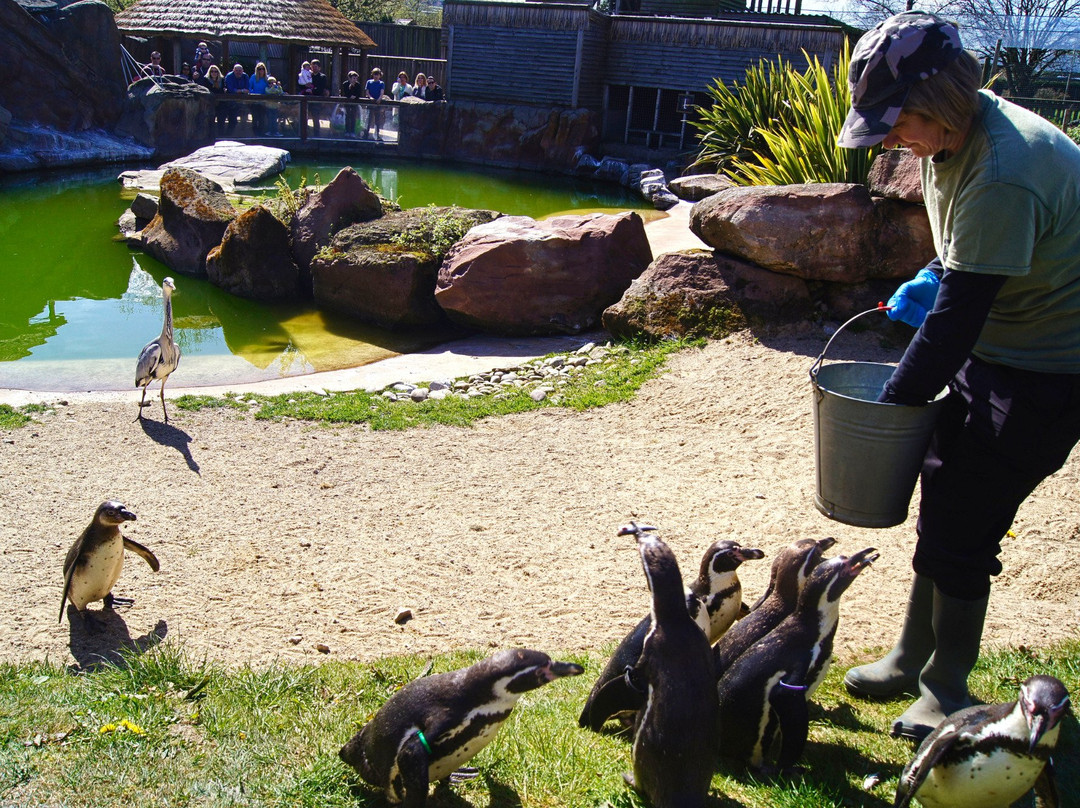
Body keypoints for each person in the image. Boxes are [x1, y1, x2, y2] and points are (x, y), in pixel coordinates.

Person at [837, 12, 1080, 744]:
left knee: (965, 519)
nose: (888, 138)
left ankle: (947, 686)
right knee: (943, 492)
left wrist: (892, 404)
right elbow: (966, 265)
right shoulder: (953, 142)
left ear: (942, 100)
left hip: (1051, 369)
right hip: (1003, 343)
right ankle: (913, 656)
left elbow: (956, 323)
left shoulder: (1007, 169)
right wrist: (930, 275)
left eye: (897, 119)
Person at [223, 63, 249, 134]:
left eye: (240, 70)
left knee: (244, 117)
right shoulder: (229, 76)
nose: (238, 72)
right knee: (232, 120)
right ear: (233, 70)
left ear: (242, 70)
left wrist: (239, 91)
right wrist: (242, 90)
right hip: (230, 101)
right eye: (236, 70)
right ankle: (227, 135)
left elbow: (247, 89)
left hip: (242, 101)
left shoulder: (245, 76)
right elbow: (231, 90)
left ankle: (243, 135)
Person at [309, 59, 330, 136]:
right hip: (307, 99)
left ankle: (316, 135)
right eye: (312, 67)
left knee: (315, 118)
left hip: (317, 100)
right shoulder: (308, 76)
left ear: (319, 68)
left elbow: (321, 89)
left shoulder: (322, 77)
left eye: (315, 67)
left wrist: (312, 91)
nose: (314, 68)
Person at [248, 61, 270, 135]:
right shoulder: (253, 77)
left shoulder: (267, 78)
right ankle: (255, 132)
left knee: (262, 117)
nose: (261, 70)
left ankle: (261, 132)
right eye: (259, 69)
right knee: (255, 117)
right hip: (255, 100)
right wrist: (253, 93)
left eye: (262, 69)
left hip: (264, 100)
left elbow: (270, 88)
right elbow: (249, 87)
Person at [365, 67, 386, 140]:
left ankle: (377, 134)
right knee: (368, 119)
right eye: (374, 74)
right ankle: (366, 134)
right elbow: (367, 92)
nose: (376, 76)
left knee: (377, 120)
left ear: (380, 75)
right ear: (372, 75)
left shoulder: (381, 83)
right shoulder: (369, 82)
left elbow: (382, 92)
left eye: (377, 75)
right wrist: (370, 97)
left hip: (377, 104)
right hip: (370, 103)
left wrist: (380, 98)